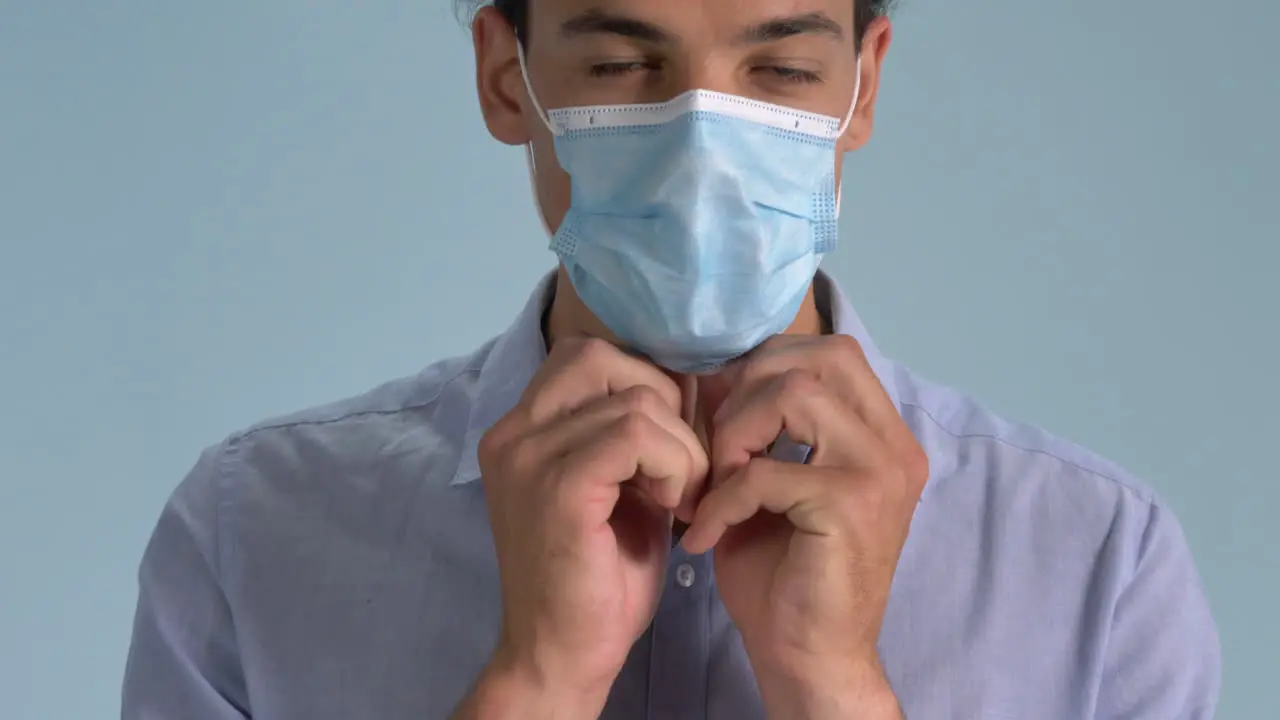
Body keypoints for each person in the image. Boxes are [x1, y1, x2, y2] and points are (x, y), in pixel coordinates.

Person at [122, 1, 1221, 718]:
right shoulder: (251, 536)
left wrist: (832, 687)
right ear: (507, 79)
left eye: (781, 69)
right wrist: (535, 685)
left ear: (861, 89)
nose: (703, 138)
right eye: (616, 61)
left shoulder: (1097, 571)